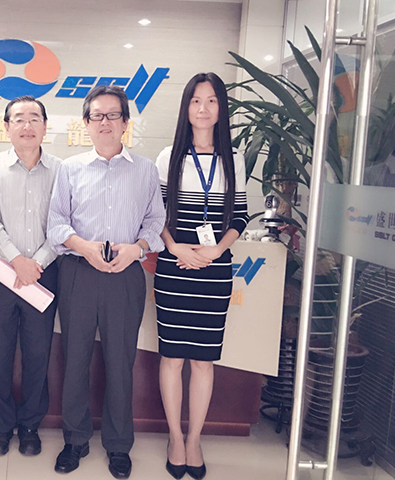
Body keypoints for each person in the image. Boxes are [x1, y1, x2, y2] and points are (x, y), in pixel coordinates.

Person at [47, 85, 165, 479]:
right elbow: (56, 223)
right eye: (97, 115)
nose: (105, 122)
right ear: (86, 123)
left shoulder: (145, 170)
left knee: (120, 361)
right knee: (75, 358)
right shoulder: (70, 169)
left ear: (125, 122)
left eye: (113, 115)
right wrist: (84, 247)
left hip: (125, 273)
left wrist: (138, 248)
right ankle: (75, 439)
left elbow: (156, 220)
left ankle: (118, 445)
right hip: (79, 271)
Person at [154, 73, 249, 480]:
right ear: (186, 108)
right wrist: (175, 247)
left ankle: (195, 439)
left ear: (221, 108)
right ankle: (175, 438)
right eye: (196, 100)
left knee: (204, 360)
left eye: (211, 100)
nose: (203, 108)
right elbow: (155, 214)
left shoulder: (234, 159)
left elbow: (240, 215)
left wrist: (217, 250)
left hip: (214, 270)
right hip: (174, 267)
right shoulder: (168, 157)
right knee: (173, 357)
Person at [0, 96, 61, 457]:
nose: (27, 125)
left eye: (34, 118)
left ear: (45, 126)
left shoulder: (61, 171)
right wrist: (16, 260)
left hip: (44, 273)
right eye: (19, 119)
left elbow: (64, 223)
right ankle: (0, 426)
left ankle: (29, 426)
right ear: (7, 126)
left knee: (37, 353)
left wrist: (35, 263)